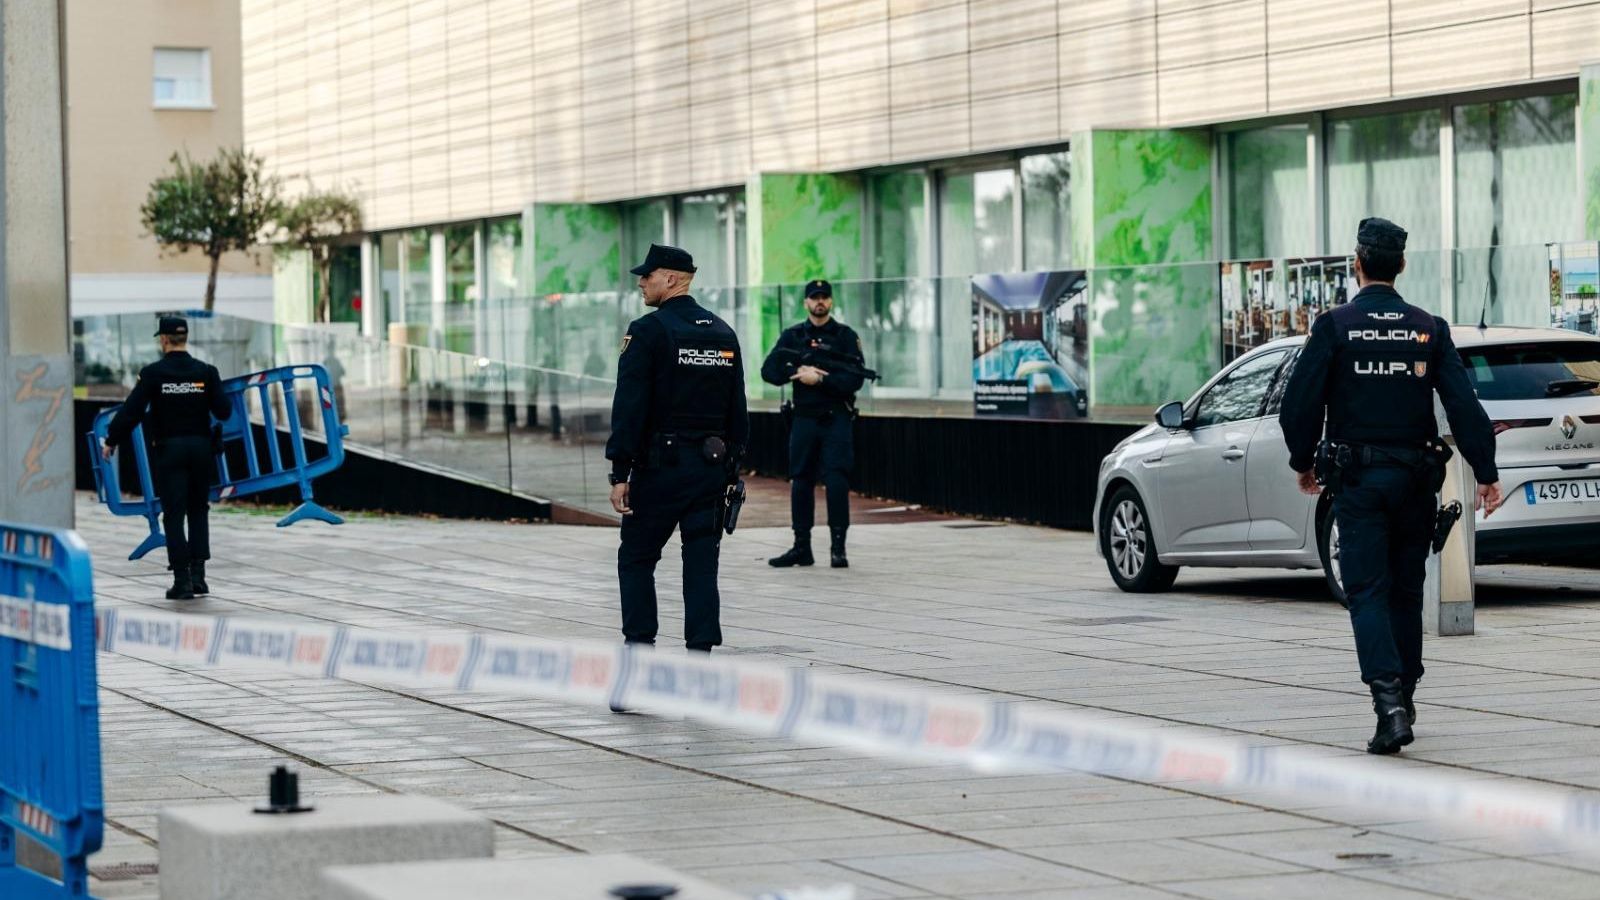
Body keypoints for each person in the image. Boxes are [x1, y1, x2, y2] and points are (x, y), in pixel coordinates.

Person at [1279, 217, 1503, 755]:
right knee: (1406, 592)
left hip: (1359, 484)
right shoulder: (1430, 328)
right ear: (1400, 265)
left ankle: (1389, 705)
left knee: (1367, 592)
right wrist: (1487, 472)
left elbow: (1299, 404)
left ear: (1357, 263)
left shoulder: (1335, 327)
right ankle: (1405, 691)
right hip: (1415, 482)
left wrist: (1302, 460)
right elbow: (1463, 405)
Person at [606, 243, 748, 662]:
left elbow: (629, 406)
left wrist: (620, 472)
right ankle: (698, 666)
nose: (641, 282)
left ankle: (638, 663)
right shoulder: (723, 332)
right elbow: (736, 409)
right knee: (701, 566)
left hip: (660, 470)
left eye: (647, 276)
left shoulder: (648, 330)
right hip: (710, 470)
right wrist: (732, 469)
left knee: (636, 558)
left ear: (670, 279)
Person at [103, 316, 231, 600]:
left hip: (170, 450)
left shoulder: (153, 374)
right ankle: (199, 577)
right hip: (200, 450)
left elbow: (132, 411)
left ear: (163, 340)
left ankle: (182, 581)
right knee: (199, 510)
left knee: (174, 514)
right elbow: (224, 411)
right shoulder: (206, 372)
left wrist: (112, 440)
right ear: (184, 338)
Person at [761, 279, 867, 568]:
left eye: (824, 297)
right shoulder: (793, 336)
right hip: (804, 418)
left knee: (836, 480)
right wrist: (797, 371)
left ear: (831, 302)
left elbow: (855, 379)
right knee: (800, 481)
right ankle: (801, 547)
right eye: (814, 298)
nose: (819, 302)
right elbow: (769, 371)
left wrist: (821, 379)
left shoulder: (845, 336)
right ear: (806, 302)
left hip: (836, 418)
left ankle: (838, 548)